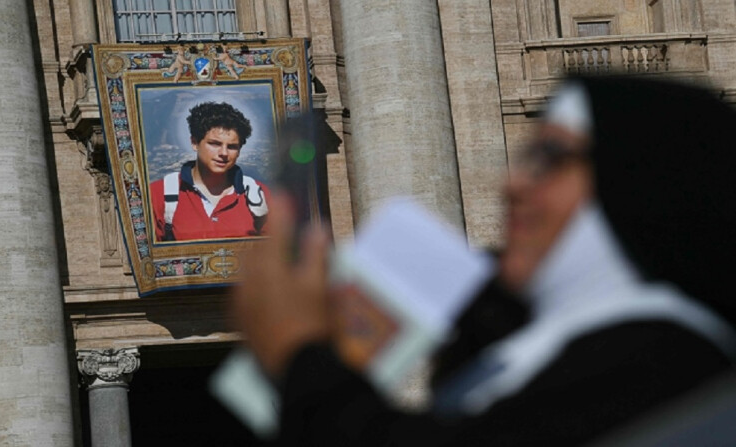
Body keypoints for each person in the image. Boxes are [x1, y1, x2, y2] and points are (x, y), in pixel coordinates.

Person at [233, 76, 736, 445]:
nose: (512, 184)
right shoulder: (545, 342)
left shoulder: (663, 360)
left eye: (550, 158)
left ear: (638, 178)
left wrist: (300, 353)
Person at [151, 102, 270, 242]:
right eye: (215, 144)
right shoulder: (158, 194)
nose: (224, 153)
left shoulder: (259, 195)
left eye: (232, 147)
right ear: (195, 143)